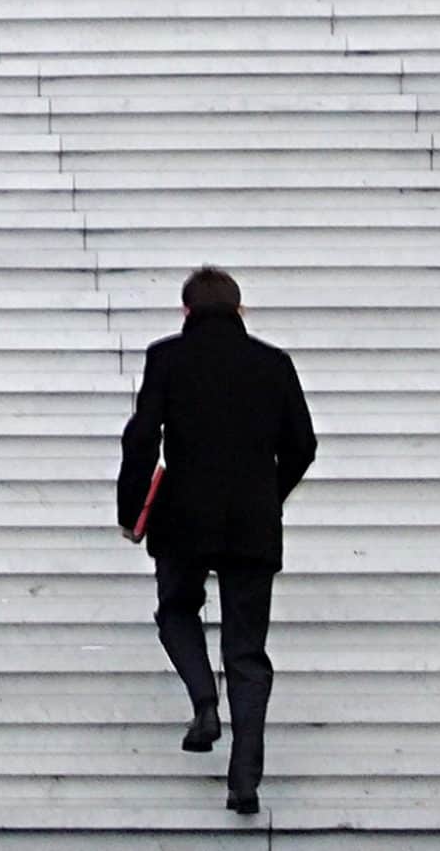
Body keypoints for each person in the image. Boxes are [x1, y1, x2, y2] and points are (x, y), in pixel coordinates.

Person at [117, 266, 316, 816]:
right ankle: (245, 779)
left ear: (186, 312)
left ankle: (205, 702)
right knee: (248, 651)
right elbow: (303, 443)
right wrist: (267, 495)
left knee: (176, 609)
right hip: (251, 524)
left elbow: (140, 438)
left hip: (182, 517)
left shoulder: (166, 358)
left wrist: (131, 509)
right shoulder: (273, 364)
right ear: (240, 311)